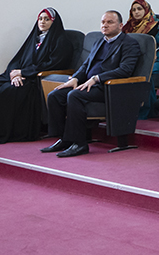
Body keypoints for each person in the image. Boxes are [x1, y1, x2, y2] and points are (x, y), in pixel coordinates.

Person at [0, 7, 75, 143]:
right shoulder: (34, 38)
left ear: (54, 22)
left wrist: (24, 73)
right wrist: (15, 73)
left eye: (47, 19)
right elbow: (18, 58)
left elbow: (53, 64)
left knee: (8, 91)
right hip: (21, 75)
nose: (42, 22)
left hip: (34, 78)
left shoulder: (62, 41)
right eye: (40, 19)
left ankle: (2, 133)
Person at [42, 11, 141, 158]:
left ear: (120, 25)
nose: (105, 25)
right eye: (103, 22)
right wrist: (75, 78)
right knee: (55, 95)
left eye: (110, 22)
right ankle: (64, 138)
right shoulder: (99, 41)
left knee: (74, 96)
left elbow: (125, 70)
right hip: (89, 84)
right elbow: (86, 65)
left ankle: (80, 144)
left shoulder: (129, 43)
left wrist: (97, 78)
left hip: (109, 88)